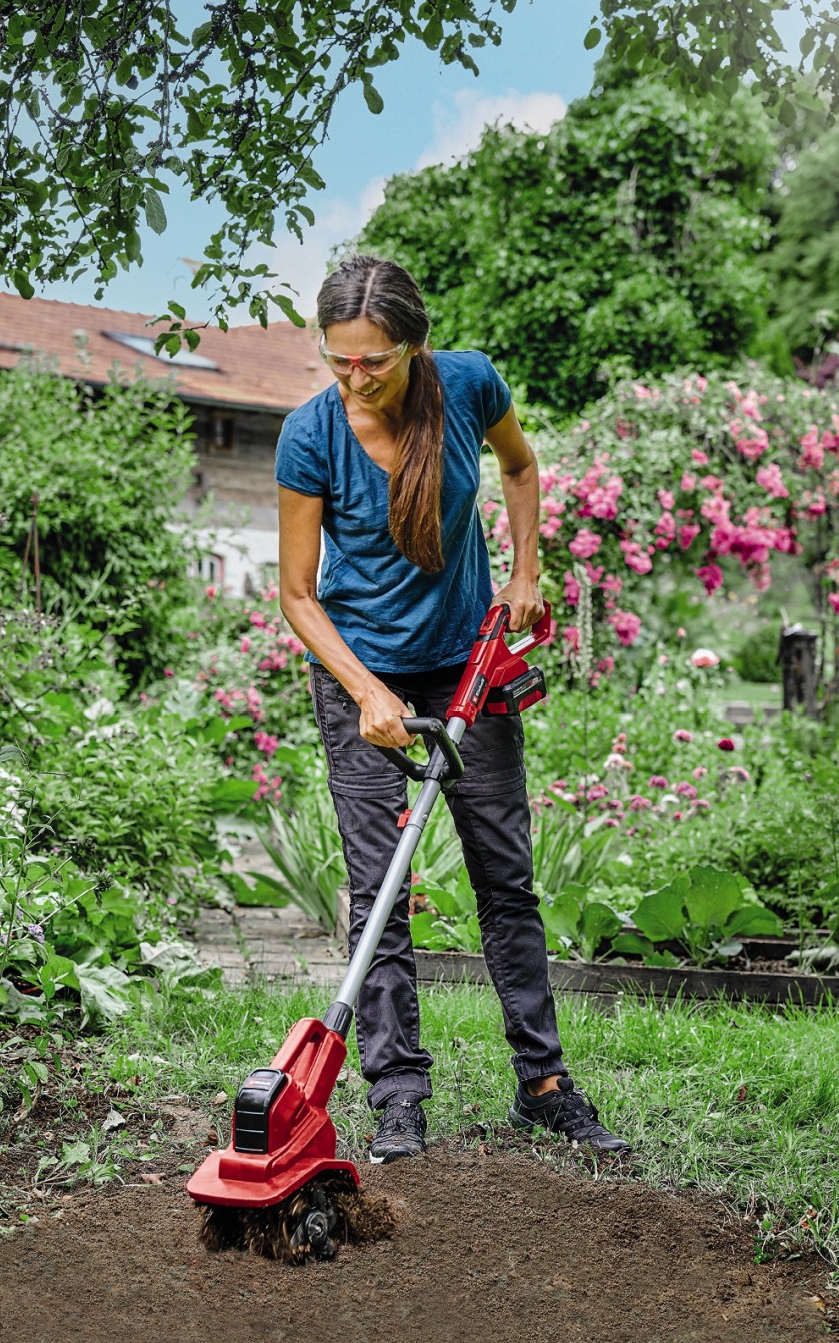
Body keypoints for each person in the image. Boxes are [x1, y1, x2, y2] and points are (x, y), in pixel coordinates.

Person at [274, 255, 629, 1164]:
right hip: (363, 678)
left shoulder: (466, 385)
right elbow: (298, 596)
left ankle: (543, 1083)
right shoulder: (310, 435)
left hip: (472, 665)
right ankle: (397, 1093)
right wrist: (367, 693)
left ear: (415, 347)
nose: (356, 377)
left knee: (504, 875)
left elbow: (519, 466)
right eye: (339, 359)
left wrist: (526, 571)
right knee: (378, 888)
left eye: (375, 361)